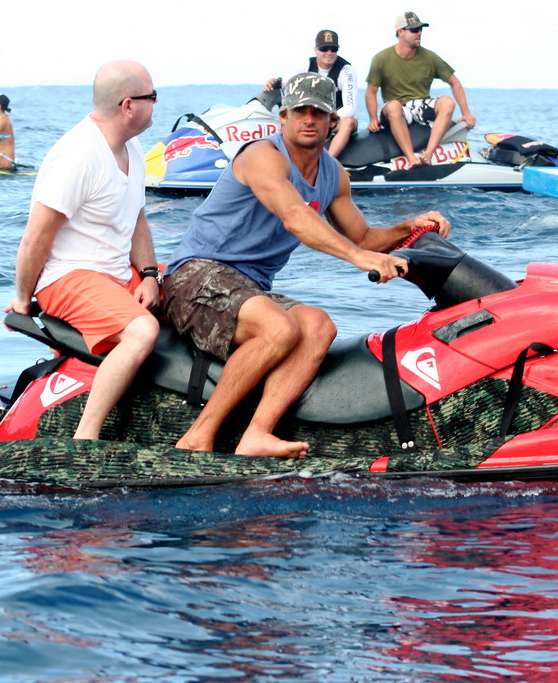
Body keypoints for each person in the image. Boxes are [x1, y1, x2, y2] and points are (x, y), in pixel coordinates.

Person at [161, 72, 450, 459]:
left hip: (247, 287)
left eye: (319, 112)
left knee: (318, 326)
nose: (309, 119)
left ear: (334, 122)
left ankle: (256, 435)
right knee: (277, 327)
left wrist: (407, 227)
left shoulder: (333, 174)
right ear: (283, 117)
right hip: (194, 274)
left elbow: (362, 237)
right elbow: (294, 216)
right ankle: (198, 436)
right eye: (300, 111)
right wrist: (363, 259)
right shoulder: (262, 155)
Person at [4, 60, 161, 440]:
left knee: (193, 286)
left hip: (117, 273)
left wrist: (151, 275)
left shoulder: (133, 147)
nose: (157, 103)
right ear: (128, 105)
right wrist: (24, 300)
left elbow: (136, 218)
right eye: (152, 96)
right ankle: (85, 437)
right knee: (143, 331)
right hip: (68, 276)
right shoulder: (76, 155)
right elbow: (35, 239)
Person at [365, 11, 476, 168]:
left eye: (420, 29)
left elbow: (455, 83)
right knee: (393, 106)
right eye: (414, 30)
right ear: (400, 32)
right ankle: (411, 158)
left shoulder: (429, 57)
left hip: (419, 107)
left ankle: (428, 154)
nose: (419, 33)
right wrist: (373, 118)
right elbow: (371, 91)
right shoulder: (381, 58)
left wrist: (466, 113)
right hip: (395, 109)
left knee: (447, 102)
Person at [266, 29, 359, 158]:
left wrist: (325, 118)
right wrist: (273, 83)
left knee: (349, 122)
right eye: (324, 48)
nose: (329, 53)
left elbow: (350, 108)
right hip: (312, 117)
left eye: (333, 49)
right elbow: (284, 82)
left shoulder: (346, 70)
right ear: (315, 50)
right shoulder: (306, 64)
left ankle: (328, 161)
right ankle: (279, 158)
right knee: (285, 122)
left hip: (335, 120)